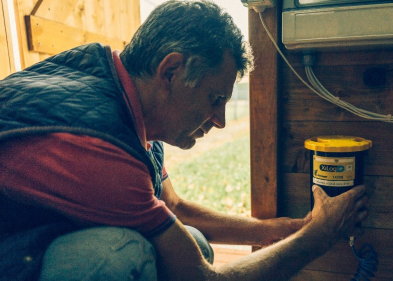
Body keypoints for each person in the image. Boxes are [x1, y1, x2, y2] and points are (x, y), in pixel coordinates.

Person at [0, 0, 369, 280]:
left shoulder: (123, 95)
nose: (221, 121)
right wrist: (319, 236)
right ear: (171, 70)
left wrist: (281, 229)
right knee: (121, 255)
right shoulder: (101, 147)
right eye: (214, 99)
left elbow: (173, 206)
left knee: (192, 238)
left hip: (29, 237)